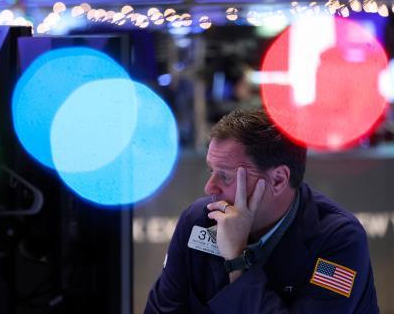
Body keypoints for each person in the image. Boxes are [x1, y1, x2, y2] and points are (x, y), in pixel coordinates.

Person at [145, 108, 379, 313]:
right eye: (211, 171)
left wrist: (237, 260)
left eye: (225, 176)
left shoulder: (338, 242)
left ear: (278, 180)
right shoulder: (198, 222)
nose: (209, 188)